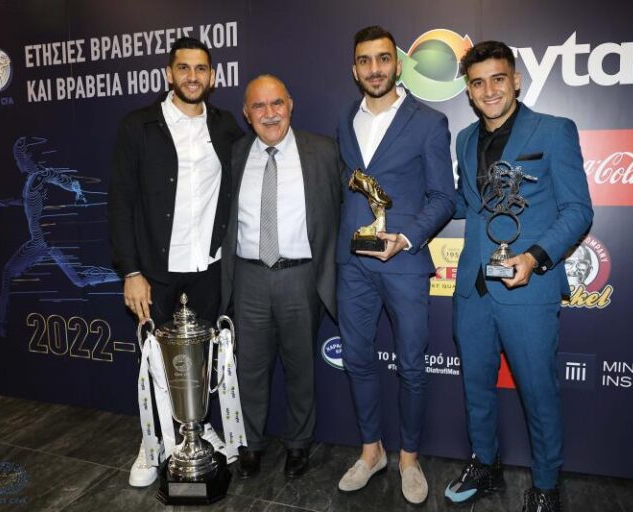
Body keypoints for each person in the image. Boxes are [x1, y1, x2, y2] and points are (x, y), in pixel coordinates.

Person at [444, 41, 593, 512]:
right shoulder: (464, 139)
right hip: (473, 288)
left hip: (529, 287)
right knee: (476, 387)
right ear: (468, 91)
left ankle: (546, 486)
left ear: (516, 80)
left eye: (497, 79)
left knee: (538, 392)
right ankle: (485, 464)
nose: (488, 90)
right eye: (477, 83)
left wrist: (534, 258)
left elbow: (578, 210)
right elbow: (467, 203)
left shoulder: (554, 130)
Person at [108, 36, 243, 487]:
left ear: (212, 76)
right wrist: (131, 271)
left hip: (209, 267)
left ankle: (197, 429)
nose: (192, 76)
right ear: (169, 73)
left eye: (201, 68)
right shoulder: (139, 125)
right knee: (155, 362)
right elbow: (120, 203)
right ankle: (152, 443)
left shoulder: (225, 126)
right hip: (155, 270)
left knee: (202, 360)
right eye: (183, 68)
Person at [336, 25, 455, 505]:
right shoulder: (346, 118)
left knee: (411, 365)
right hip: (353, 264)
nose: (375, 69)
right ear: (354, 69)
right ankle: (372, 452)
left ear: (398, 64)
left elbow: (444, 197)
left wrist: (405, 238)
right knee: (357, 358)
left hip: (404, 262)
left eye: (383, 59)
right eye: (365, 61)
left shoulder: (428, 122)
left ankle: (409, 457)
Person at [220, 74, 341, 479]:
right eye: (259, 106)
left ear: (290, 105)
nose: (269, 113)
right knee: (249, 368)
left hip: (300, 277)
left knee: (300, 367)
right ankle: (251, 444)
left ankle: (298, 444)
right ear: (246, 113)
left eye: (276, 103)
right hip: (248, 277)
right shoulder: (235, 154)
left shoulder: (323, 151)